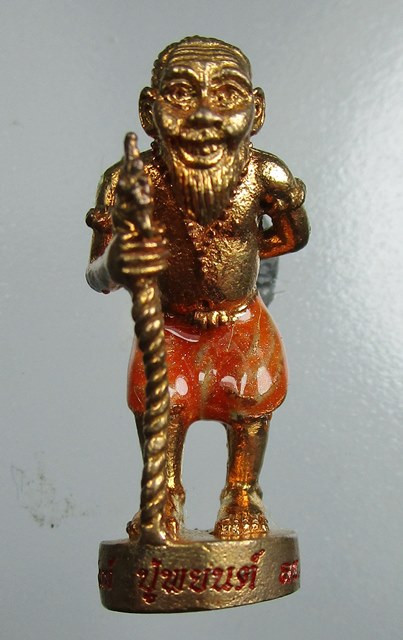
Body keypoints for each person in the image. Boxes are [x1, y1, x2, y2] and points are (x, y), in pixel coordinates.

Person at [86, 36, 309, 540]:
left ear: (256, 111)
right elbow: (97, 273)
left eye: (227, 94)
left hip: (241, 322)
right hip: (171, 326)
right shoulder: (129, 182)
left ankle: (243, 492)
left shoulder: (266, 174)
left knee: (251, 401)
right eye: (181, 94)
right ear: (148, 112)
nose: (204, 114)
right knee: (160, 404)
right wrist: (119, 263)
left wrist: (248, 263)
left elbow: (293, 237)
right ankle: (165, 494)